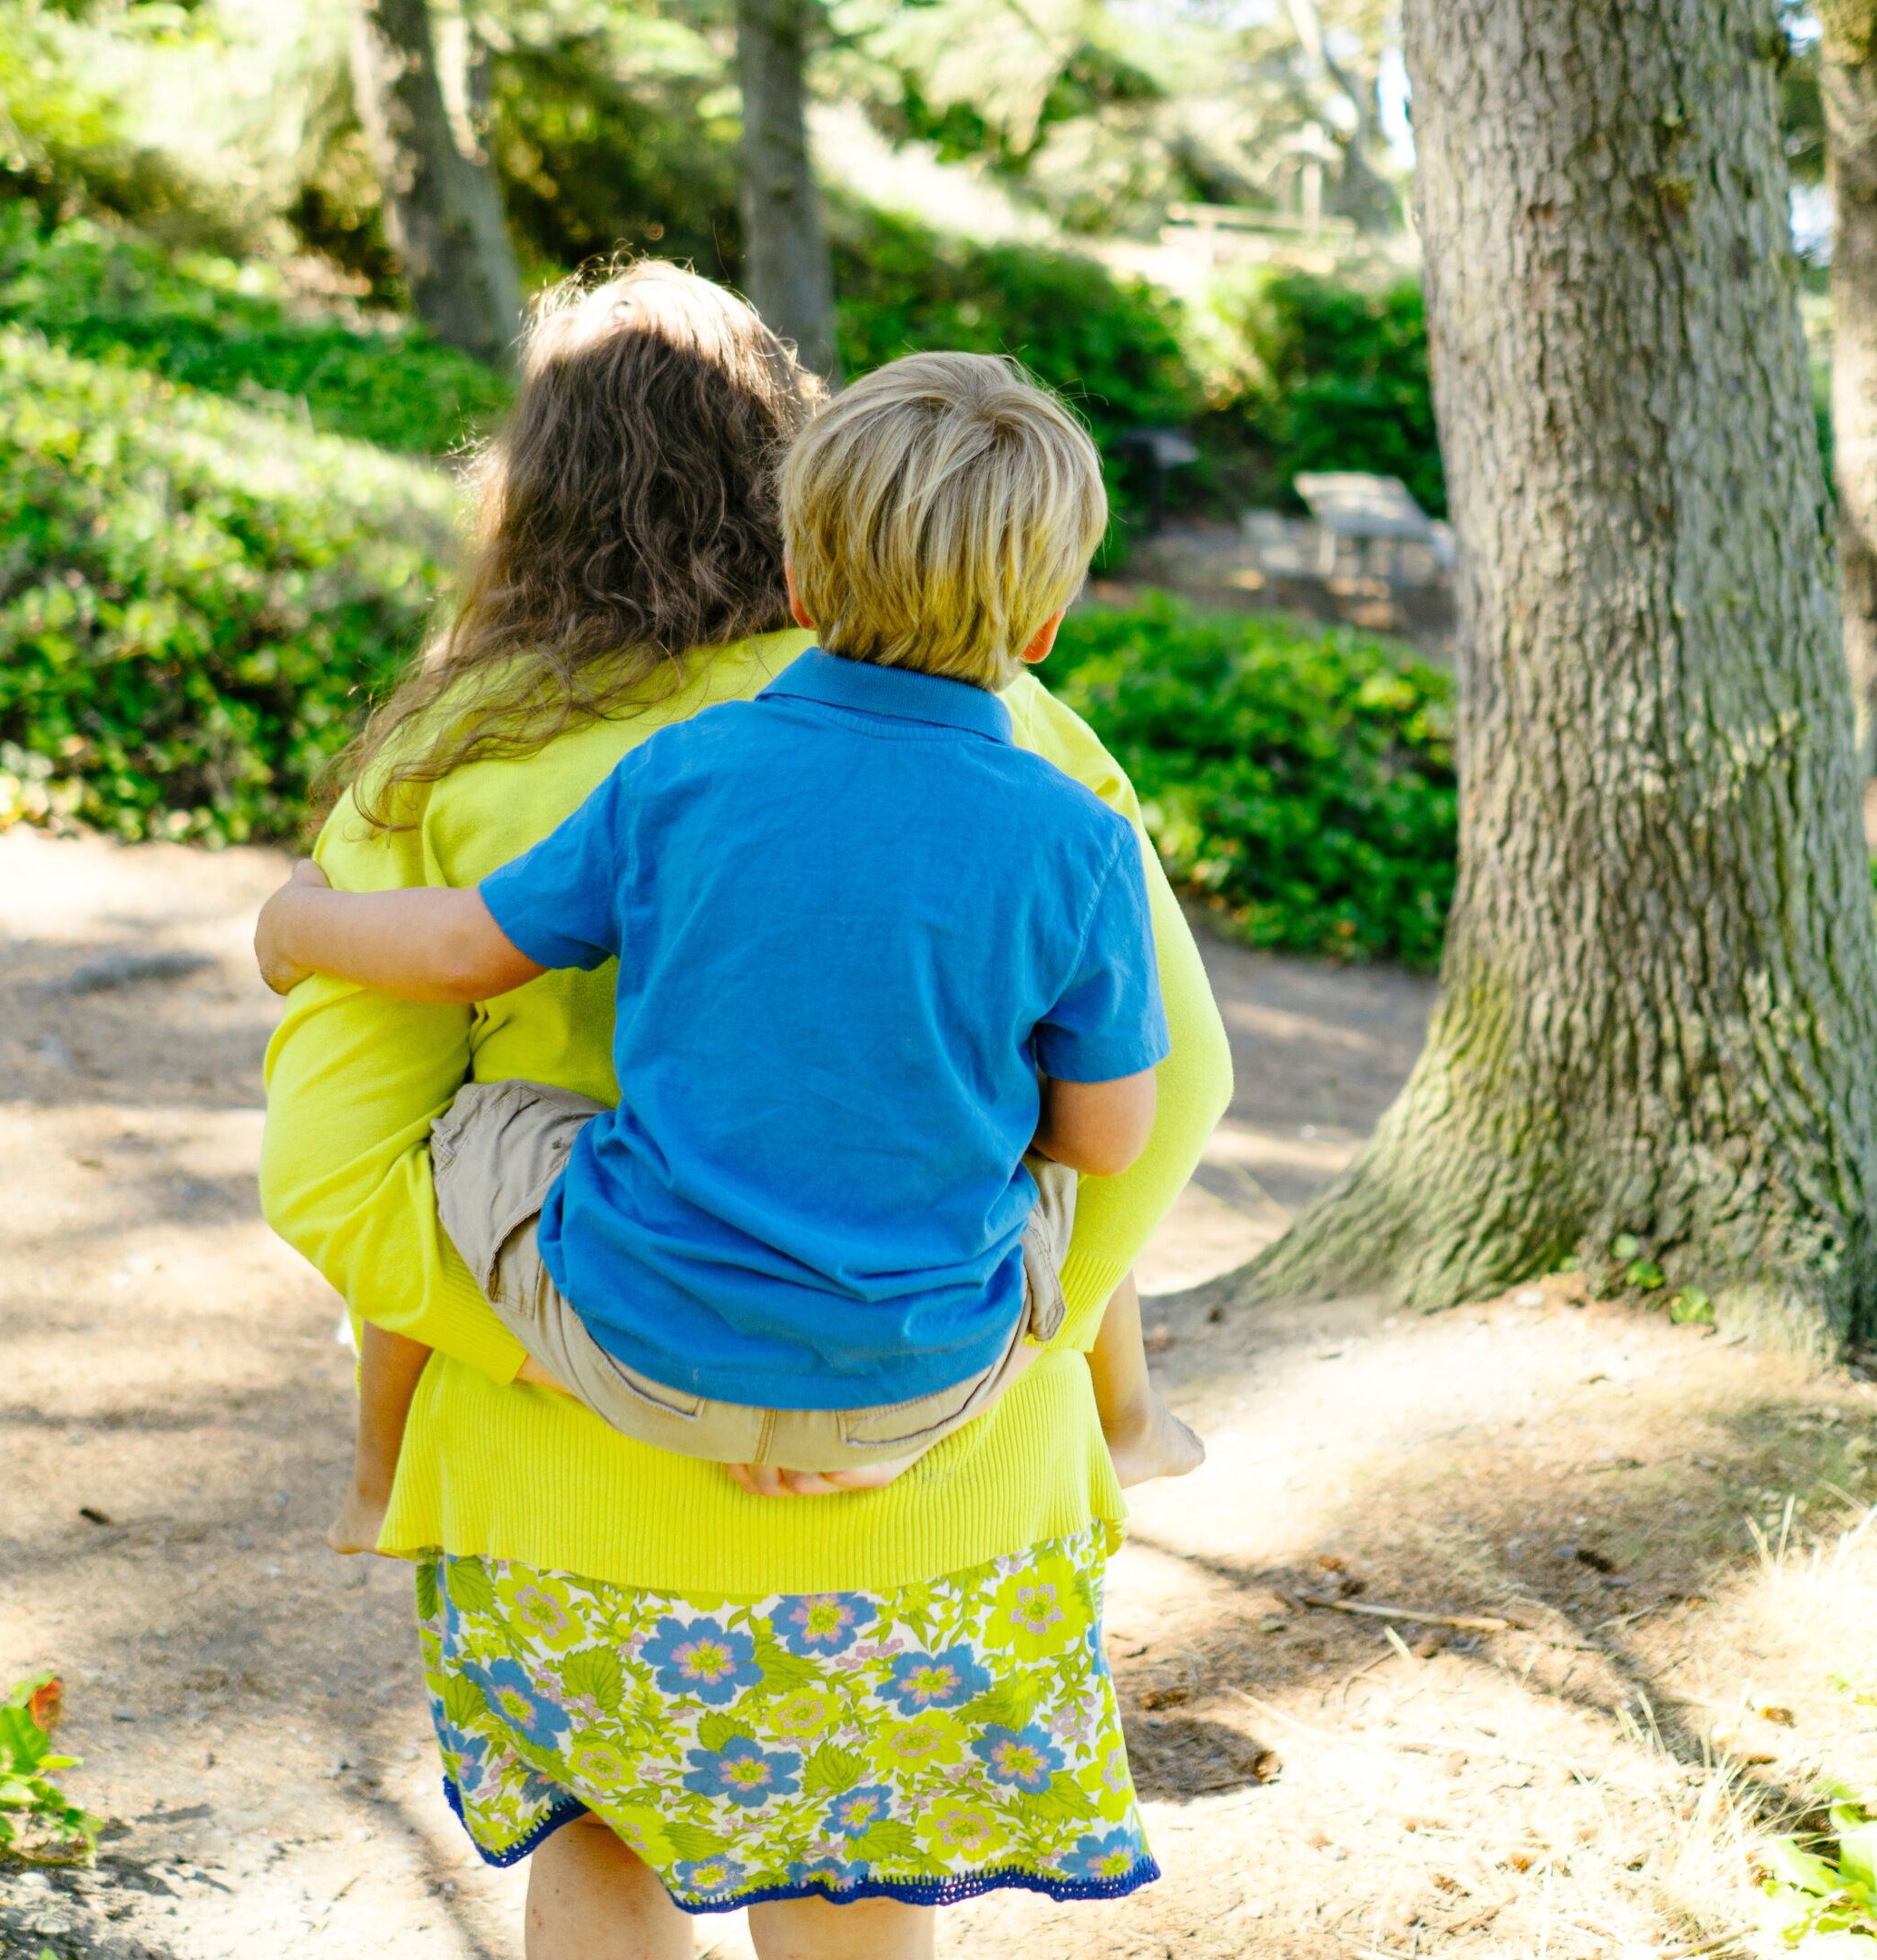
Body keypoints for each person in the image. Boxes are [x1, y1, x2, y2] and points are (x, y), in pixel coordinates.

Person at [257, 261, 1232, 1951]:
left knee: (603, 1853)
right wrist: (990, 1336)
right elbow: (1163, 1103)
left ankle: (383, 1468)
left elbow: (340, 1172)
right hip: (937, 1480)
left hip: (572, 1480)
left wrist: (601, 1363)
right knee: (854, 1891)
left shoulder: (461, 758)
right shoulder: (1033, 745)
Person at [256, 351, 1205, 1520]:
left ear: (802, 580)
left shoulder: (684, 775)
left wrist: (303, 925)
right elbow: (1112, 1144)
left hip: (645, 1353)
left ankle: (380, 1471)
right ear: (1048, 624)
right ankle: (1012, 1420)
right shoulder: (1080, 840)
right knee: (1035, 1179)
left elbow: (465, 953)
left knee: (475, 1119)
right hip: (921, 1375)